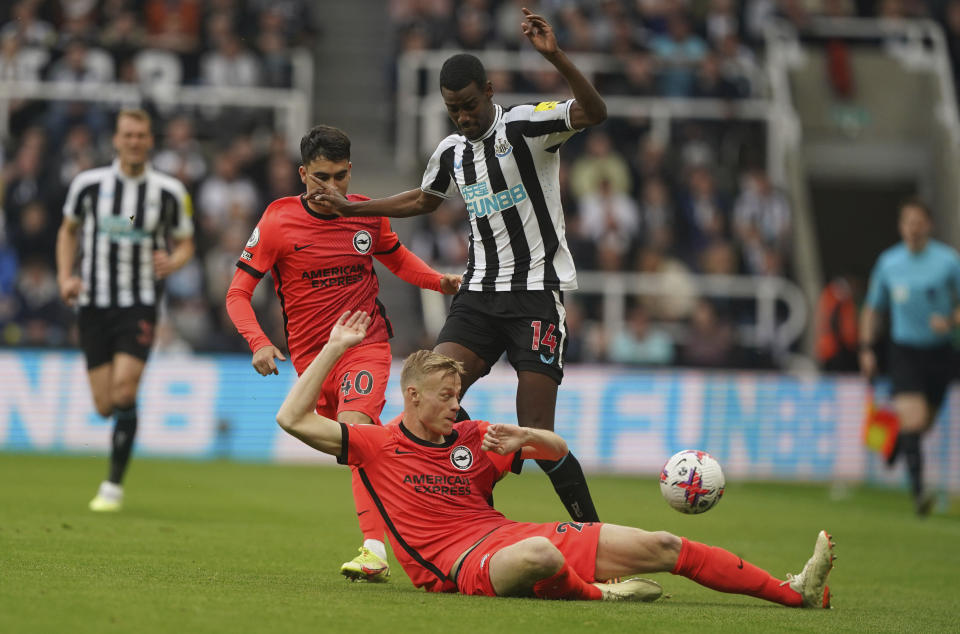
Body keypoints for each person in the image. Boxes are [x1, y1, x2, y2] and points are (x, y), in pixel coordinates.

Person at [274, 310, 835, 606]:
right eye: (446, 396)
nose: (456, 404)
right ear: (413, 398)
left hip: (507, 535)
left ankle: (794, 591)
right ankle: (600, 598)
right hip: (461, 567)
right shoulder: (379, 444)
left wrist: (525, 439)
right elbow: (293, 420)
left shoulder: (475, 436)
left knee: (663, 545)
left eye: (458, 393)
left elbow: (559, 452)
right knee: (538, 553)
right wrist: (333, 349)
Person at [312, 7, 605, 525]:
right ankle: (477, 516)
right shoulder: (452, 151)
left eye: (470, 105)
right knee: (430, 397)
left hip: (535, 293)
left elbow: (594, 113)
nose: (464, 117)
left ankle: (595, 537)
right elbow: (424, 201)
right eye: (454, 110)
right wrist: (354, 209)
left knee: (536, 432)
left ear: (489, 91)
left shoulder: (526, 126)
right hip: (477, 295)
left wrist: (555, 56)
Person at [224, 124, 460, 582]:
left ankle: (375, 551)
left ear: (350, 171)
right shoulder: (277, 221)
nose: (331, 187)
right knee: (358, 452)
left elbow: (397, 259)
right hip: (314, 359)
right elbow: (237, 293)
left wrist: (440, 281)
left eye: (339, 177)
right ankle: (405, 454)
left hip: (364, 344)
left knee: (358, 432)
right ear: (302, 174)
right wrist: (258, 341)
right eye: (320, 178)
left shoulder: (367, 215)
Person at [56, 108, 196, 512]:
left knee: (123, 389)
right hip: (93, 303)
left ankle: (112, 487)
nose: (134, 141)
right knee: (104, 405)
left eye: (141, 135)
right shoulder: (88, 185)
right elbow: (67, 231)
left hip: (139, 302)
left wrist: (176, 260)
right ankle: (123, 424)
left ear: (150, 141)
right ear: (116, 140)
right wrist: (66, 276)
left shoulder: (169, 191)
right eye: (127, 135)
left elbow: (186, 241)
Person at [859, 199, 960, 516]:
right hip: (903, 351)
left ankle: (898, 442)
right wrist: (866, 348)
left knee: (922, 423)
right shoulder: (889, 263)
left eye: (918, 222)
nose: (913, 228)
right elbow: (873, 308)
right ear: (901, 226)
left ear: (928, 225)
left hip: (940, 352)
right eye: (907, 222)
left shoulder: (948, 261)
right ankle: (919, 495)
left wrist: (951, 321)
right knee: (913, 418)